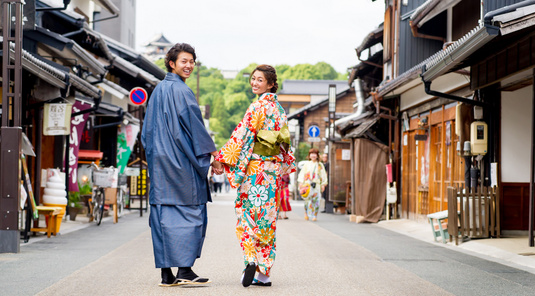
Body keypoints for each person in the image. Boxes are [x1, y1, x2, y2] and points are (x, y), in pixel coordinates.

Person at [141, 43, 223, 287]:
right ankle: (185, 269)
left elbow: (147, 132)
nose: (188, 65)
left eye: (191, 61)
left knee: (162, 216)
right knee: (192, 213)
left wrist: (155, 156)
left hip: (160, 164)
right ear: (171, 63)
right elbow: (195, 127)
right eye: (184, 61)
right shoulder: (182, 92)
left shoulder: (158, 91)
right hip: (180, 163)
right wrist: (213, 153)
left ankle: (167, 274)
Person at [215, 65, 296, 288]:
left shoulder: (257, 107)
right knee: (267, 220)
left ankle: (250, 260)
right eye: (253, 79)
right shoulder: (279, 109)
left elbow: (242, 136)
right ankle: (264, 274)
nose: (254, 83)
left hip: (254, 171)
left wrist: (221, 158)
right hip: (272, 173)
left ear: (271, 84)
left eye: (260, 80)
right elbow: (285, 145)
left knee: (246, 216)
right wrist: (282, 166)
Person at [298, 148, 327, 221]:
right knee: (307, 200)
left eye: (315, 154)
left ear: (317, 155)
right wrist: (301, 182)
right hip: (307, 184)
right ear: (309, 155)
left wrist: (323, 184)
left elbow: (323, 175)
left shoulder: (320, 165)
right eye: (311, 154)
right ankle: (306, 213)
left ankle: (315, 215)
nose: (313, 155)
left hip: (316, 184)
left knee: (316, 200)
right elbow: (302, 174)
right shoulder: (306, 164)